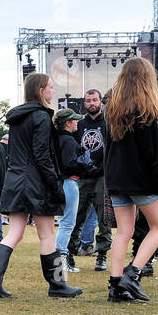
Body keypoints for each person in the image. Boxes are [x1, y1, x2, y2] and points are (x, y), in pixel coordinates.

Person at [0, 73, 78, 299]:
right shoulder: (42, 118)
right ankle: (57, 285)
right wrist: (54, 185)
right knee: (47, 234)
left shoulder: (18, 118)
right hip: (36, 182)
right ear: (40, 90)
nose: (52, 91)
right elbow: (42, 156)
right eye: (50, 87)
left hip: (16, 179)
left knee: (14, 233)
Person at [103, 57, 158, 303]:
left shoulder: (111, 109)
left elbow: (108, 147)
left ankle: (115, 286)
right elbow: (154, 151)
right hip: (141, 179)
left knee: (124, 232)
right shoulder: (148, 109)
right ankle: (132, 275)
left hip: (116, 177)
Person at [73, 89, 111, 271]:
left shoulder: (108, 123)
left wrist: (102, 168)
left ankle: (102, 255)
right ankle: (70, 253)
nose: (91, 103)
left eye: (94, 100)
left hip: (103, 177)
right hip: (83, 177)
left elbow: (111, 150)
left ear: (100, 102)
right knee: (76, 215)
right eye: (88, 101)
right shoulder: (79, 125)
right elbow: (73, 149)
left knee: (104, 218)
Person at [53, 108, 91, 274]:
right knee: (67, 224)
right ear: (67, 123)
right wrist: (84, 164)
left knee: (65, 223)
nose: (77, 122)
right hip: (69, 182)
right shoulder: (68, 141)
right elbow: (68, 165)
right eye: (74, 120)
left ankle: (61, 262)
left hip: (62, 183)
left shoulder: (57, 139)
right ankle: (61, 263)